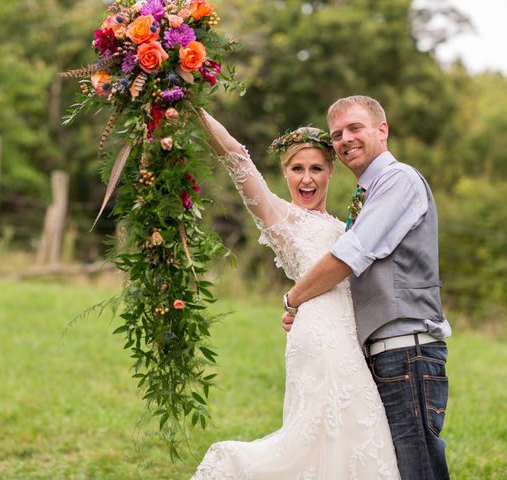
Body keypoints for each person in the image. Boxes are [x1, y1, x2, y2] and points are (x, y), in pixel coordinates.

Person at [191, 109, 400, 479]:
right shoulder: (279, 216)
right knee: (325, 435)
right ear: (284, 173)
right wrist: (183, 93)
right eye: (297, 169)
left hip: (353, 339)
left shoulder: (344, 225)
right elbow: (234, 154)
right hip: (319, 340)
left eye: (316, 169)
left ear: (330, 172)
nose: (307, 179)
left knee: (355, 437)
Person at [282, 95, 451, 480]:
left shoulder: (398, 180)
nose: (345, 139)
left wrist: (293, 298)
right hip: (382, 356)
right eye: (337, 134)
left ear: (382, 129)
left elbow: (348, 257)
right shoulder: (367, 195)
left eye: (355, 128)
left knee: (418, 468)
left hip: (406, 352)